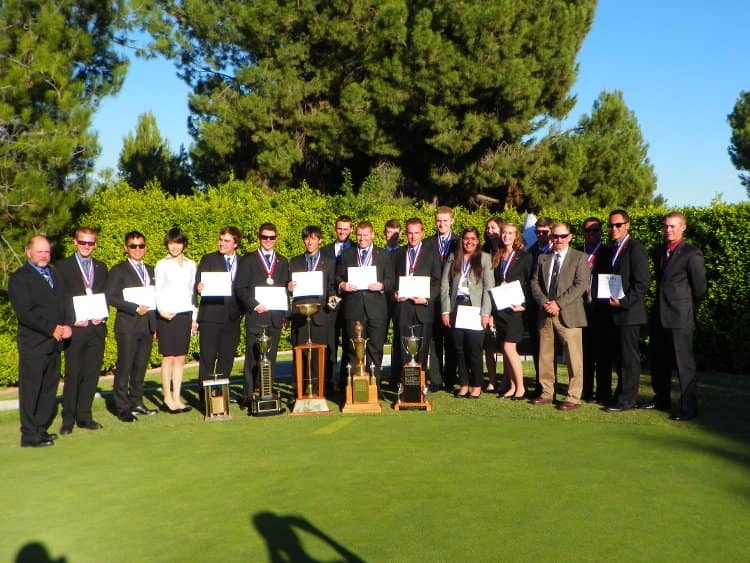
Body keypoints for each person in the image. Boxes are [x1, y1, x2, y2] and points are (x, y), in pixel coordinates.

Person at [9, 235, 72, 447]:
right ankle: (29, 434)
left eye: (47, 251)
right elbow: (25, 313)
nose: (44, 255)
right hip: (34, 344)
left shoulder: (54, 274)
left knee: (49, 388)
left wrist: (67, 324)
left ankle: (41, 429)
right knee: (31, 389)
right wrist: (51, 328)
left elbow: (64, 302)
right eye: (40, 251)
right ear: (29, 253)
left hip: (55, 343)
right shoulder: (19, 278)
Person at [647, 212, 707, 421]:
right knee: (659, 360)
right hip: (660, 314)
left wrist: (686, 308)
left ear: (683, 227)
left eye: (673, 226)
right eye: (665, 226)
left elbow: (700, 289)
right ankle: (661, 399)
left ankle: (688, 406)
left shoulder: (692, 253)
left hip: (680, 316)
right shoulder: (658, 251)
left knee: (683, 363)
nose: (668, 230)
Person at [529, 223, 589, 410]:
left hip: (569, 314)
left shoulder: (579, 257)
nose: (559, 240)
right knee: (545, 356)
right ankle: (546, 392)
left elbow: (580, 284)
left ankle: (573, 396)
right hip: (545, 313)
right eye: (555, 236)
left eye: (563, 236)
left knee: (574, 358)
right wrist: (545, 302)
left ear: (570, 237)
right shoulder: (542, 258)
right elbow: (534, 282)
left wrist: (559, 304)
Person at [56, 227, 108, 435]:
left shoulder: (101, 267)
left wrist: (103, 315)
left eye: (91, 243)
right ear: (75, 242)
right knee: (73, 374)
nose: (87, 246)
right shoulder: (63, 267)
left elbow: (105, 296)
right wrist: (71, 320)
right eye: (83, 242)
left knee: (91, 374)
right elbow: (60, 299)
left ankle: (85, 416)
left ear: (95, 244)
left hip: (96, 328)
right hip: (76, 329)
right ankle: (68, 419)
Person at [105, 231, 158, 422]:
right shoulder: (118, 270)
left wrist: (155, 325)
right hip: (127, 325)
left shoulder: (152, 270)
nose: (137, 250)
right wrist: (134, 307)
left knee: (140, 367)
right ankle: (122, 408)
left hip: (146, 326)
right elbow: (111, 298)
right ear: (126, 248)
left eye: (141, 246)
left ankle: (137, 402)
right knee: (125, 367)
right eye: (133, 246)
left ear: (145, 247)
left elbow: (155, 300)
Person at [235, 223, 290, 408]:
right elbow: (240, 289)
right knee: (252, 357)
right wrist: (254, 304)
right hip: (256, 315)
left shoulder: (283, 261)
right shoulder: (248, 260)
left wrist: (286, 315)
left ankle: (266, 392)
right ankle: (248, 395)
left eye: (271, 237)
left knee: (270, 358)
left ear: (276, 238)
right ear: (259, 237)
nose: (268, 241)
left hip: (274, 316)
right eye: (265, 237)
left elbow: (285, 290)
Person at [336, 220, 395, 388]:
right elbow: (337, 278)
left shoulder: (383, 255)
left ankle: (374, 388)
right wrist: (343, 285)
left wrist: (382, 285)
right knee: (353, 351)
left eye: (365, 235)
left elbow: (391, 280)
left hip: (376, 310)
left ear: (373, 235)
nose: (362, 239)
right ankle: (355, 389)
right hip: (353, 309)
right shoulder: (347, 254)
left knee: (375, 350)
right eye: (359, 235)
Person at [603, 210, 650, 413]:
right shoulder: (613, 248)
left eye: (618, 225)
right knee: (619, 357)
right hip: (615, 312)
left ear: (627, 225)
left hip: (629, 313)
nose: (614, 229)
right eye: (611, 225)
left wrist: (623, 302)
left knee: (629, 358)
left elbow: (642, 283)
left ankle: (628, 400)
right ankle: (621, 393)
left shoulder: (636, 248)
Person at [441, 227, 494, 399]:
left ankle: (477, 385)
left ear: (478, 240)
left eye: (472, 238)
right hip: (457, 308)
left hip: (476, 309)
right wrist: (445, 310)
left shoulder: (485, 259)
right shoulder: (453, 258)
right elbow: (445, 286)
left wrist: (486, 313)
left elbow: (489, 288)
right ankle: (464, 384)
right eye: (466, 238)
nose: (469, 242)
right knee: (459, 349)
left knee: (474, 349)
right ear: (462, 240)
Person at [195, 227, 244, 409]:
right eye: (220, 239)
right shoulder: (209, 259)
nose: (221, 243)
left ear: (235, 244)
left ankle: (221, 395)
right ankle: (205, 398)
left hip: (233, 318)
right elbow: (198, 283)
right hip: (211, 317)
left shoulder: (243, 261)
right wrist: (198, 287)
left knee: (227, 359)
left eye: (226, 241)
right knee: (207, 358)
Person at [392, 218, 442, 384]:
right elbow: (392, 281)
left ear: (422, 233)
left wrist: (426, 299)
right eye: (410, 233)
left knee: (421, 350)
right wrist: (395, 294)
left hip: (423, 309)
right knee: (403, 348)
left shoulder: (432, 253)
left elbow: (437, 281)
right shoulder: (398, 253)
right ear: (405, 233)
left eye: (416, 233)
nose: (413, 237)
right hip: (403, 307)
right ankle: (405, 384)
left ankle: (419, 386)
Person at [288, 226, 337, 392]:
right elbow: (287, 287)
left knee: (318, 356)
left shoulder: (329, 263)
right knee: (299, 355)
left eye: (314, 238)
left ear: (320, 240)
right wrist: (289, 287)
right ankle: (299, 389)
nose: (310, 242)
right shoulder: (294, 262)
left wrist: (332, 297)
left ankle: (318, 389)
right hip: (300, 314)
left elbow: (331, 287)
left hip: (321, 314)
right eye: (307, 238)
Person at [155, 228, 198, 414]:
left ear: (184, 244)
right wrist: (161, 311)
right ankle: (167, 398)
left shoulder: (191, 265)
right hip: (167, 315)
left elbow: (192, 293)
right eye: (171, 243)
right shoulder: (161, 264)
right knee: (168, 357)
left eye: (178, 242)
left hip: (185, 314)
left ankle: (177, 397)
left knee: (180, 357)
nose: (174, 246)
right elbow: (156, 290)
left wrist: (194, 318)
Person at [491, 222, 532, 400]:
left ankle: (521, 388)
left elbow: (531, 283)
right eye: (504, 233)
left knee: (509, 347)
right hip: (501, 308)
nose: (506, 236)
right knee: (504, 347)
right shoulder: (498, 255)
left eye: (510, 233)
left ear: (517, 236)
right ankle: (512, 386)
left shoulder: (524, 257)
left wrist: (526, 305)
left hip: (515, 309)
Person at [578, 217, 613, 404]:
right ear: (583, 233)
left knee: (603, 354)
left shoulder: (608, 252)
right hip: (580, 308)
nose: (591, 234)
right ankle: (585, 391)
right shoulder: (576, 252)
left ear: (601, 232)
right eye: (588, 230)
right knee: (584, 353)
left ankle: (603, 392)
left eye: (595, 230)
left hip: (602, 308)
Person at [427, 206, 460, 391]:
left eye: (445, 221)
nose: (442, 224)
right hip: (433, 298)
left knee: (451, 341)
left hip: (452, 298)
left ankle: (449, 380)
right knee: (434, 341)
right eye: (439, 220)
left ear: (452, 221)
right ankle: (436, 380)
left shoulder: (460, 242)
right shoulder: (428, 243)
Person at [320, 215, 355, 388]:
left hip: (350, 302)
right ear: (335, 229)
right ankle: (329, 381)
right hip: (330, 302)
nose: (342, 231)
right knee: (330, 343)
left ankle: (346, 381)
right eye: (339, 228)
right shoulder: (325, 250)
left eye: (345, 228)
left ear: (351, 229)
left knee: (350, 341)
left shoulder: (357, 249)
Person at [525, 217, 554, 398]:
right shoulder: (531, 251)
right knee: (538, 348)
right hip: (535, 307)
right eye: (538, 232)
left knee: (555, 349)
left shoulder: (557, 251)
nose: (541, 235)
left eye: (545, 232)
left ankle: (554, 386)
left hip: (555, 306)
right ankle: (540, 384)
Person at [482, 217, 504, 392]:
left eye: (494, 228)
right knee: (489, 345)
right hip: (487, 300)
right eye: (488, 228)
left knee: (506, 344)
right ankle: (491, 379)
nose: (490, 231)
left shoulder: (507, 251)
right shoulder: (483, 250)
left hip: (504, 301)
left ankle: (507, 380)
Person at [383, 218, 402, 375]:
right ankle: (375, 372)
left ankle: (396, 374)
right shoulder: (377, 253)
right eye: (389, 232)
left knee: (398, 337)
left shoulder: (403, 253)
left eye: (395, 233)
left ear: (400, 234)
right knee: (378, 337)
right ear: (384, 234)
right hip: (380, 300)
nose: (392, 236)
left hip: (397, 299)